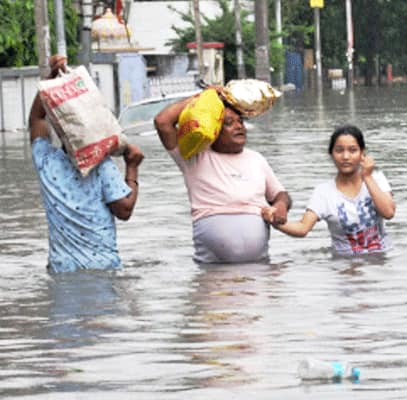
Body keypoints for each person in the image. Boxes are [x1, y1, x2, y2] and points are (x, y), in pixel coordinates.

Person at [29, 55, 144, 273]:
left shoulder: (46, 163)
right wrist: (132, 167)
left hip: (60, 270)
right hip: (102, 270)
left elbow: (37, 119)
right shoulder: (101, 166)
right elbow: (124, 210)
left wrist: (50, 79)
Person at [153, 93, 291, 263]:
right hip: (212, 273)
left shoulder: (256, 159)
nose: (239, 126)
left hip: (259, 271)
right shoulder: (194, 158)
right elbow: (162, 122)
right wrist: (206, 97)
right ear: (214, 129)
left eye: (240, 121)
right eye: (228, 123)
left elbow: (280, 194)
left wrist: (280, 206)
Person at [266, 125, 395, 255]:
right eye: (339, 150)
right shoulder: (324, 192)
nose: (345, 156)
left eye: (352, 150)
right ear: (331, 154)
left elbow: (389, 212)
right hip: (344, 266)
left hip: (381, 263)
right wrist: (274, 220)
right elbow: (303, 228)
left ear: (362, 153)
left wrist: (367, 177)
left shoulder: (376, 179)